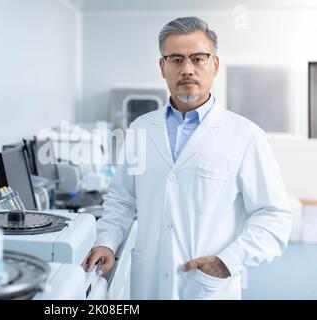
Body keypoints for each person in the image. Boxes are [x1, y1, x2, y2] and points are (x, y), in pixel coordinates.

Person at [81, 16, 293, 299]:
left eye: (198, 58)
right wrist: (107, 242)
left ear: (215, 65)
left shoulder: (245, 135)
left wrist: (227, 261)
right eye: (176, 59)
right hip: (148, 283)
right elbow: (123, 199)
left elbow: (274, 215)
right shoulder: (141, 129)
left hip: (206, 286)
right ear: (162, 67)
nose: (188, 69)